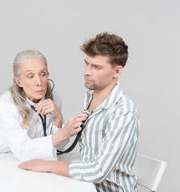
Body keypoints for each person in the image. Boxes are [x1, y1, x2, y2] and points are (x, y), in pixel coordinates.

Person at [19, 33, 140, 192]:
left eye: (96, 67)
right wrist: (60, 122)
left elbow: (98, 171)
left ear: (117, 72)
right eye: (87, 64)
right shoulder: (91, 97)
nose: (87, 72)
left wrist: (49, 165)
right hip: (84, 186)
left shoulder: (123, 112)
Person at [0, 50, 87, 162]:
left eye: (42, 74)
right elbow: (23, 150)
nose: (39, 82)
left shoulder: (54, 98)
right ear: (19, 82)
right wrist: (65, 132)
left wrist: (58, 118)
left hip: (36, 162)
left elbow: (58, 149)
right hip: (0, 160)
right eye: (30, 76)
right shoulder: (4, 105)